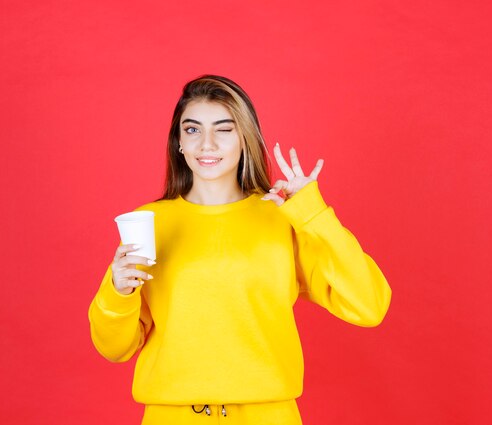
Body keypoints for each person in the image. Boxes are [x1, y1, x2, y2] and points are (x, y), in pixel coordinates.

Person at [88, 75, 392, 424]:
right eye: (192, 130)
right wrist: (118, 292)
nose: (207, 144)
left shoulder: (283, 218)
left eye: (224, 129)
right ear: (179, 143)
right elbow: (114, 348)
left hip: (269, 415)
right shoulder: (148, 222)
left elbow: (369, 305)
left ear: (245, 138)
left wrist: (312, 214)